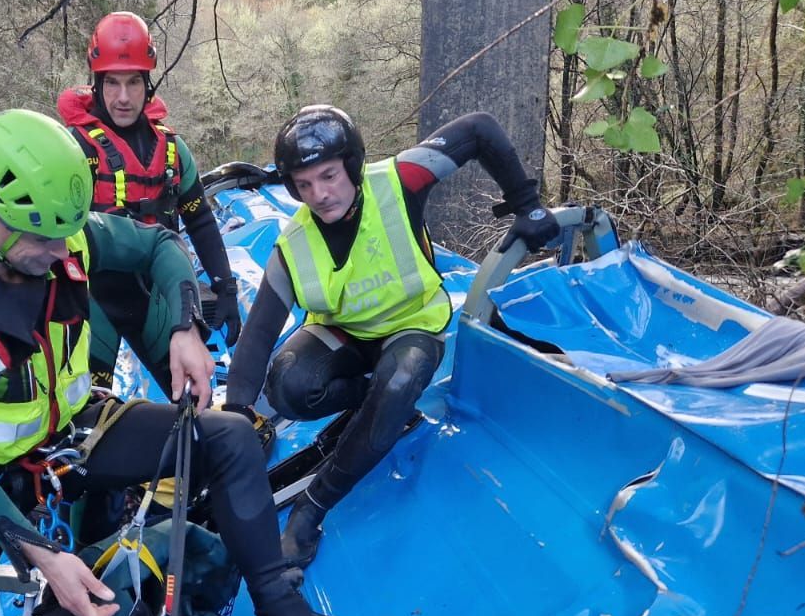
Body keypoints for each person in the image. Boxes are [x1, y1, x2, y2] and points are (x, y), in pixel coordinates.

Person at [0, 109, 407, 616]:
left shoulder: (64, 231)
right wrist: (45, 555)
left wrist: (184, 327)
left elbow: (158, 244)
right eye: (44, 241)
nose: (61, 251)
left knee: (231, 436)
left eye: (65, 235)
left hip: (71, 438)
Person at [221, 106, 560, 570]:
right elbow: (258, 336)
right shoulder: (293, 244)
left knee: (398, 381)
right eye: (304, 185)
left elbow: (478, 127)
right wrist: (235, 418)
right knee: (287, 385)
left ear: (352, 165)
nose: (319, 195)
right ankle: (381, 406)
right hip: (345, 334)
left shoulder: (400, 181)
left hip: (412, 324)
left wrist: (527, 205)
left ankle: (314, 507)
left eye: (329, 176)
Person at [56, 11, 241, 392]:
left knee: (191, 396)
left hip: (153, 296)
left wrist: (225, 287)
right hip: (92, 300)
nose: (123, 97)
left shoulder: (172, 149)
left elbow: (200, 220)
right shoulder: (73, 150)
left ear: (148, 84)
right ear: (96, 84)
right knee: (87, 411)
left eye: (134, 83)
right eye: (112, 83)